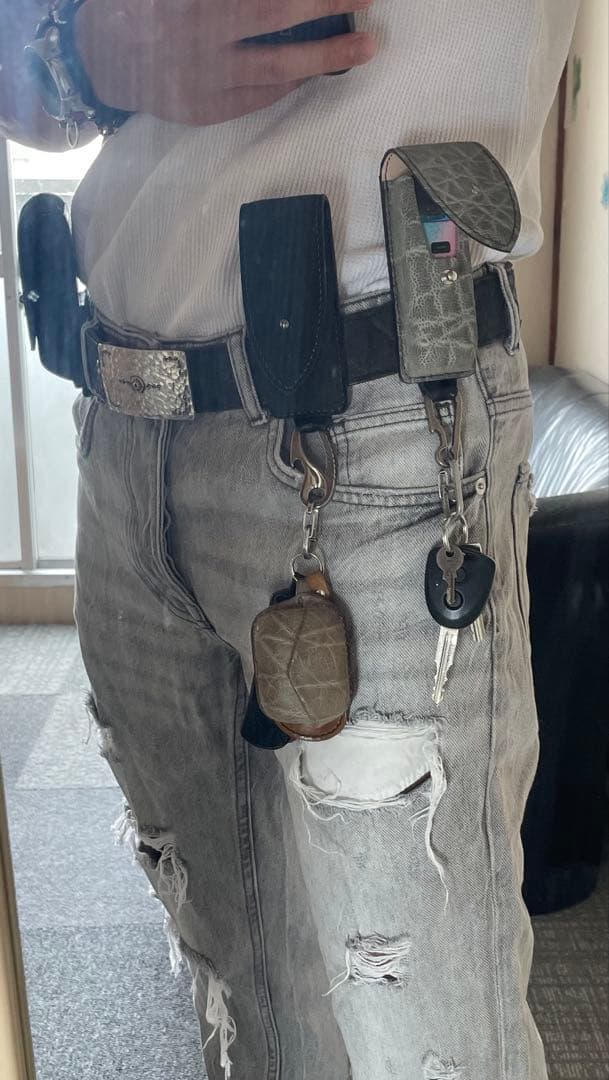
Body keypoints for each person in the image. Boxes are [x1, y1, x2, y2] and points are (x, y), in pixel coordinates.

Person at [1, 2, 581, 1077]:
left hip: (382, 422)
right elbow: (18, 88)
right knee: (238, 986)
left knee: (431, 1043)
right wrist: (85, 53)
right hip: (120, 431)